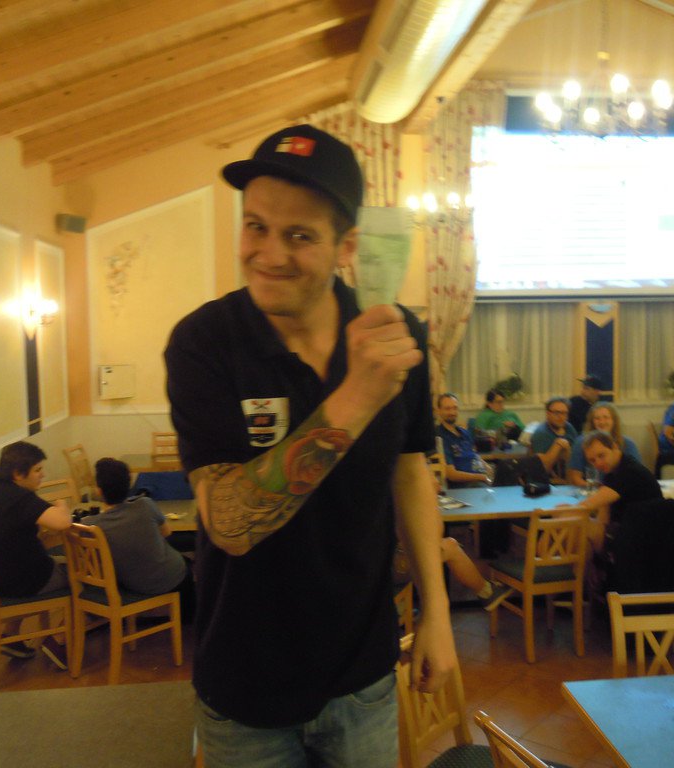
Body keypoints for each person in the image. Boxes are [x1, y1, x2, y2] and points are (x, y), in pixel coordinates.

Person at [164, 124, 454, 766]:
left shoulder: (395, 334)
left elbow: (411, 473)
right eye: (256, 227)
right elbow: (229, 523)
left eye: (299, 235)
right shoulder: (204, 342)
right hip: (245, 691)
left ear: (346, 245)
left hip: (364, 678)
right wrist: (355, 397)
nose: (269, 254)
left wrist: (436, 612)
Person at [0, 441, 71, 668]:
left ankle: (11, 634)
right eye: (37, 470)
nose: (42, 475)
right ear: (18, 473)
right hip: (21, 582)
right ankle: (57, 641)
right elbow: (62, 523)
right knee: (82, 575)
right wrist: (62, 504)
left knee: (49, 561)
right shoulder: (18, 498)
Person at [80, 458, 191, 599]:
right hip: (174, 576)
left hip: (136, 586)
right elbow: (166, 532)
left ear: (99, 491)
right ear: (129, 484)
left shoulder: (90, 525)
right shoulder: (145, 504)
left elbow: (91, 562)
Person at [574, 432, 663, 554]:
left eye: (601, 455)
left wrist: (566, 511)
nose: (598, 463)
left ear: (614, 447)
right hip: (628, 529)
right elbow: (603, 516)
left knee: (574, 524)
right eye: (592, 460)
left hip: (645, 536)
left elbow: (587, 506)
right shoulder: (611, 473)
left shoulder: (629, 471)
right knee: (578, 525)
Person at [565, 401, 640, 487]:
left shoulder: (628, 444)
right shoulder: (581, 443)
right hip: (591, 489)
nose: (602, 422)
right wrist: (596, 489)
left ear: (614, 420)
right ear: (592, 422)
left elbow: (636, 476)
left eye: (606, 417)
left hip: (621, 489)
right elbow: (575, 478)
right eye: (597, 418)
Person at [436, 392, 490, 487]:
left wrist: (488, 468)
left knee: (508, 467)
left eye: (455, 408)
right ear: (439, 411)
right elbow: (451, 474)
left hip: (479, 477)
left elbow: (474, 456)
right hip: (463, 485)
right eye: (447, 409)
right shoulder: (439, 437)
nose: (452, 412)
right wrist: (481, 477)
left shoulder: (465, 433)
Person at [530, 397, 577, 481]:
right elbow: (541, 469)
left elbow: (577, 454)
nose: (561, 417)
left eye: (564, 413)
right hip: (550, 481)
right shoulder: (541, 434)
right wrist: (558, 446)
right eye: (556, 413)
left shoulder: (569, 427)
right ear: (548, 414)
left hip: (572, 477)